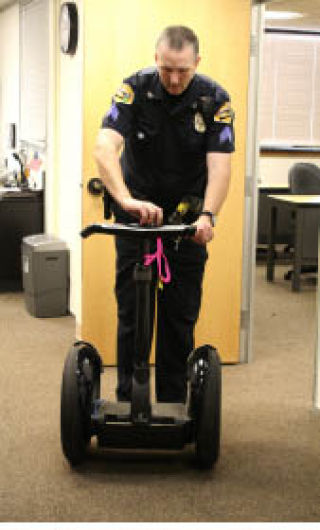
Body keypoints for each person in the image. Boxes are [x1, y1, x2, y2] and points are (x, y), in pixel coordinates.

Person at [94, 25, 235, 403]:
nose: (173, 79)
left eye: (183, 70)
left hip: (186, 223)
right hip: (136, 217)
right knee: (133, 317)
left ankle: (173, 404)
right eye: (167, 68)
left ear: (196, 63)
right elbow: (104, 148)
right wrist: (125, 201)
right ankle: (126, 402)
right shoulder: (134, 89)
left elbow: (220, 167)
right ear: (156, 57)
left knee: (178, 320)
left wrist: (208, 215)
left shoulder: (215, 99)